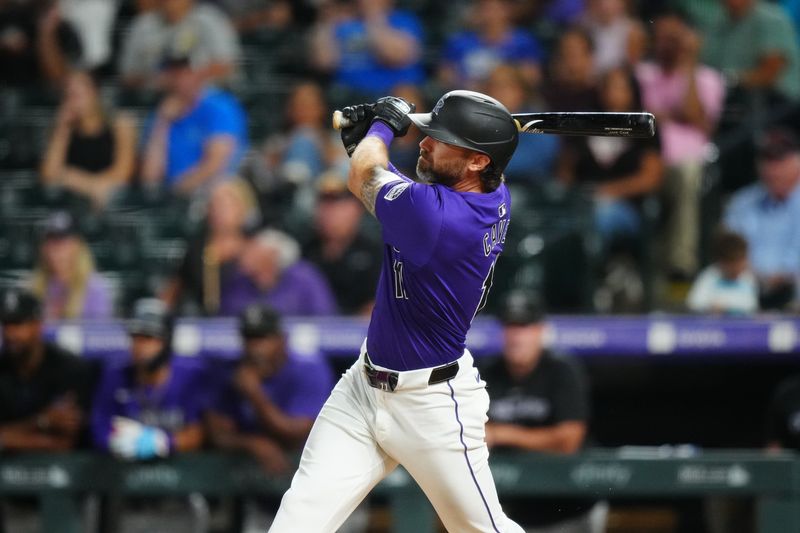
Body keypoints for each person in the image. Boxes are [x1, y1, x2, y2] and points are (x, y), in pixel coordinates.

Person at [268, 91, 525, 531]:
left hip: (433, 406)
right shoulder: (485, 190)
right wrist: (364, 144)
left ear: (478, 161)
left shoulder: (443, 219)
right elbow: (383, 185)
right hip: (363, 390)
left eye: (439, 139)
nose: (423, 143)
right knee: (297, 521)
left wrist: (381, 129)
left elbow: (366, 175)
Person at [482, 291, 606, 533]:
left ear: (540, 330)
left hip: (571, 508)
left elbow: (569, 440)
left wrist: (503, 434)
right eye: (510, 326)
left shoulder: (562, 370)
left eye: (524, 326)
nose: (516, 335)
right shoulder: (486, 372)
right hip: (514, 512)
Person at [207, 304, 335, 530]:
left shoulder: (308, 369)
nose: (255, 348)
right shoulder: (234, 372)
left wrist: (255, 394)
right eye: (250, 338)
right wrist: (253, 443)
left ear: (282, 340)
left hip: (322, 497)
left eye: (263, 338)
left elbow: (294, 435)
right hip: (263, 501)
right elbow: (217, 434)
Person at [90, 298, 209, 533]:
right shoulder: (116, 375)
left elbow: (199, 431)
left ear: (166, 340)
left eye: (149, 338)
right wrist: (117, 440)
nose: (140, 346)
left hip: (178, 497)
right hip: (125, 496)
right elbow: (98, 428)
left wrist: (163, 442)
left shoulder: (190, 374)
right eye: (135, 338)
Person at [635, 10, 726, 282]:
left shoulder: (707, 79)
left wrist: (688, 64)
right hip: (648, 161)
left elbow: (697, 118)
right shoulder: (645, 74)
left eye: (674, 38)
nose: (667, 44)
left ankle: (680, 266)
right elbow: (640, 115)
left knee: (687, 174)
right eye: (661, 37)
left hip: (687, 165)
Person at [557, 67, 663, 247]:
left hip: (625, 206)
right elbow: (565, 169)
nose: (612, 93)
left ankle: (592, 271)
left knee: (599, 216)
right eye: (608, 87)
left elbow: (651, 178)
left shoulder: (644, 127)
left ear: (632, 92)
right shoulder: (584, 122)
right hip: (581, 200)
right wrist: (572, 193)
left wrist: (607, 191)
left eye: (620, 88)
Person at [140, 52, 248, 200]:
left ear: (200, 74)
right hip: (172, 199)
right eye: (174, 73)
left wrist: (178, 191)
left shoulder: (219, 106)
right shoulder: (160, 114)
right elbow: (150, 178)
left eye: (186, 72)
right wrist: (162, 123)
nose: (180, 79)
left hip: (211, 193)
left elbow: (216, 164)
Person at [0, 288, 95, 452]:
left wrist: (11, 435)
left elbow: (63, 443)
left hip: (67, 471)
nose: (10, 334)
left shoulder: (69, 367)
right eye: (6, 325)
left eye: (18, 324)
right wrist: (43, 421)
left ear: (38, 325)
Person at [723, 127, 800, 310]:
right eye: (768, 160)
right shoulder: (742, 203)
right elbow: (728, 251)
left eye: (780, 160)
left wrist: (786, 276)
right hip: (748, 294)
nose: (773, 169)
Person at [40, 69, 136, 210]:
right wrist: (62, 128)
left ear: (95, 92)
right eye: (70, 94)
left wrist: (71, 178)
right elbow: (48, 176)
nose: (75, 99)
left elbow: (123, 174)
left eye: (80, 93)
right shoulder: (63, 130)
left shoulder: (120, 124)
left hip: (113, 204)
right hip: (71, 204)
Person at [161, 179, 260, 316]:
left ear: (243, 209)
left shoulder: (256, 248)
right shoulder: (195, 249)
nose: (219, 211)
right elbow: (173, 290)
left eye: (226, 205)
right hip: (203, 322)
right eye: (214, 205)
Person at [302, 171, 382, 315]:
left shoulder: (374, 252)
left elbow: (379, 305)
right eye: (323, 204)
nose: (327, 212)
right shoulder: (306, 249)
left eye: (336, 206)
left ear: (356, 210)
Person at [309, 0, 425, 100]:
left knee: (405, 96)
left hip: (391, 93)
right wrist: (327, 21)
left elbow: (394, 55)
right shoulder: (343, 22)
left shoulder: (403, 20)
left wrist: (373, 18)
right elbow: (324, 62)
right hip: (346, 94)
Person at [118, 0, 240, 89]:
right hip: (153, 96)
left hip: (205, 95)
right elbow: (127, 77)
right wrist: (157, 79)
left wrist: (188, 78)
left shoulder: (210, 19)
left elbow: (227, 65)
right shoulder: (143, 25)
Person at [220, 228, 337, 317]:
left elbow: (325, 317)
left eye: (255, 249)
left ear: (272, 254)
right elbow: (224, 320)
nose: (246, 253)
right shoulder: (238, 281)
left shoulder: (305, 278)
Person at [438, 0, 544, 91]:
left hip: (508, 98)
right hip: (470, 97)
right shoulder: (459, 42)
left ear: (507, 10)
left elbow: (532, 78)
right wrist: (467, 84)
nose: (491, 14)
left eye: (496, 8)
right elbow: (445, 76)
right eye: (485, 8)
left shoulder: (523, 42)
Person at [29, 211, 113, 320]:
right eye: (52, 243)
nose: (57, 251)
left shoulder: (94, 289)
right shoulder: (34, 286)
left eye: (63, 243)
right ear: (44, 248)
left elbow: (101, 333)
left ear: (77, 246)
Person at [484, 63, 560, 185]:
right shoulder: (479, 120)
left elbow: (535, 160)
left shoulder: (537, 120)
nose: (499, 92)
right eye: (493, 86)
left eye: (506, 87)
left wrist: (484, 164)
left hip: (529, 188)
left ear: (521, 91)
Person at [686, 231, 758, 315]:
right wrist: (711, 307)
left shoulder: (748, 278)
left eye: (743, 262)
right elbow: (694, 304)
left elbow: (751, 307)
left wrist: (728, 308)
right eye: (735, 265)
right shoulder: (709, 276)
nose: (741, 267)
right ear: (722, 263)